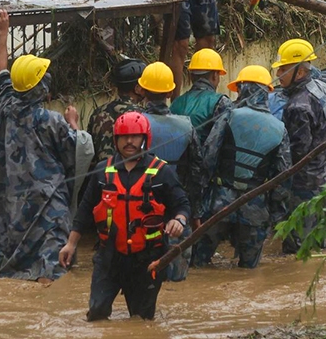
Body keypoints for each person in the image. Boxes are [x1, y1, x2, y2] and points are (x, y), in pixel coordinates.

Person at [0, 9, 94, 283]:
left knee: (17, 262)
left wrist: (3, 32)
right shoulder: (49, 120)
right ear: (40, 88)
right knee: (51, 268)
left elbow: (0, 72)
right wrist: (74, 122)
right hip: (47, 204)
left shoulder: (4, 103)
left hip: (11, 203)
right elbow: (79, 148)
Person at [59, 112, 191, 321]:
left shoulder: (161, 172)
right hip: (109, 258)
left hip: (147, 260)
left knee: (141, 321)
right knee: (97, 315)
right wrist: (71, 244)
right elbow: (84, 210)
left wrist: (179, 220)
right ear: (116, 140)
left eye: (135, 136)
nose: (129, 141)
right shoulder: (102, 171)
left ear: (145, 138)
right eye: (124, 137)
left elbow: (181, 205)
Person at [191, 66, 291, 269]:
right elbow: (282, 176)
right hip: (255, 206)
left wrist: (198, 202)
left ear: (242, 89)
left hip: (219, 204)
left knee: (198, 265)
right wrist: (274, 213)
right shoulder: (279, 128)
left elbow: (209, 157)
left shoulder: (228, 116)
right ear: (266, 92)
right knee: (249, 271)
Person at [273, 38, 326, 255]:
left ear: (299, 72)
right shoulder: (325, 89)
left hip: (304, 184)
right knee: (319, 235)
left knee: (298, 248)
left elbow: (298, 152)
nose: (279, 73)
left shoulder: (297, 106)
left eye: (284, 68)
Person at [137, 61, 203, 282]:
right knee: (177, 277)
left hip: (141, 207)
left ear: (142, 90)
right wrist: (195, 214)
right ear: (170, 91)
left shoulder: (133, 124)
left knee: (142, 275)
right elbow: (196, 172)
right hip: (177, 208)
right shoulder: (186, 125)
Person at [85, 58, 146, 172]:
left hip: (101, 177)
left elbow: (89, 151)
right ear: (137, 89)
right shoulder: (141, 115)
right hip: (127, 179)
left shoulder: (98, 113)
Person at [170, 48, 233, 144]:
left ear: (191, 77)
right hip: (204, 158)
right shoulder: (221, 102)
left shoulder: (176, 102)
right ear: (215, 75)